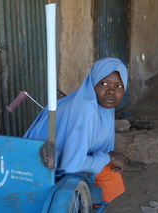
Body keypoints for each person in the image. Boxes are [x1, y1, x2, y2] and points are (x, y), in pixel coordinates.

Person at [24, 57, 128, 203]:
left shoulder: (103, 107)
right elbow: (71, 165)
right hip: (40, 169)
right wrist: (109, 158)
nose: (111, 91)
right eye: (104, 83)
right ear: (92, 83)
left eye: (119, 86)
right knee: (109, 175)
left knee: (111, 175)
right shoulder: (86, 108)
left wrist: (109, 158)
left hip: (60, 160)